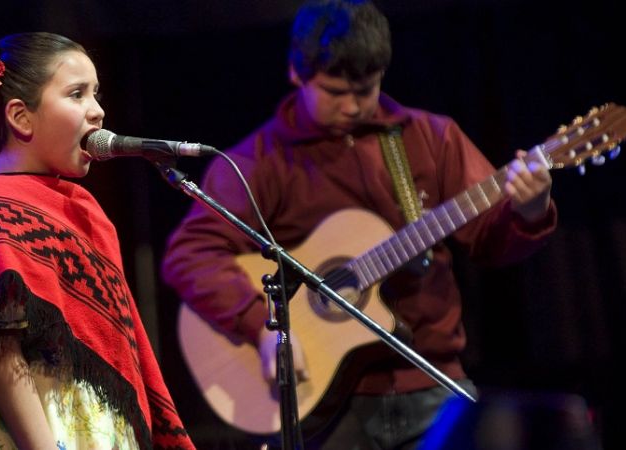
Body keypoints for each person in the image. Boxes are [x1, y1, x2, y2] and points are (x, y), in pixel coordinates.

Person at [162, 1, 556, 449]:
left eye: (365, 90)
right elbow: (191, 254)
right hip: (328, 408)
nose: (352, 106)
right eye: (334, 91)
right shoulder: (258, 160)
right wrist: (261, 327)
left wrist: (528, 210)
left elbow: (491, 244)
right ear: (297, 73)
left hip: (432, 383)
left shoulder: (430, 136)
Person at [0, 32, 195, 450]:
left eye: (96, 93)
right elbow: (1, 354)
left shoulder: (85, 212)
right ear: (21, 117)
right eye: (77, 94)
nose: (97, 111)